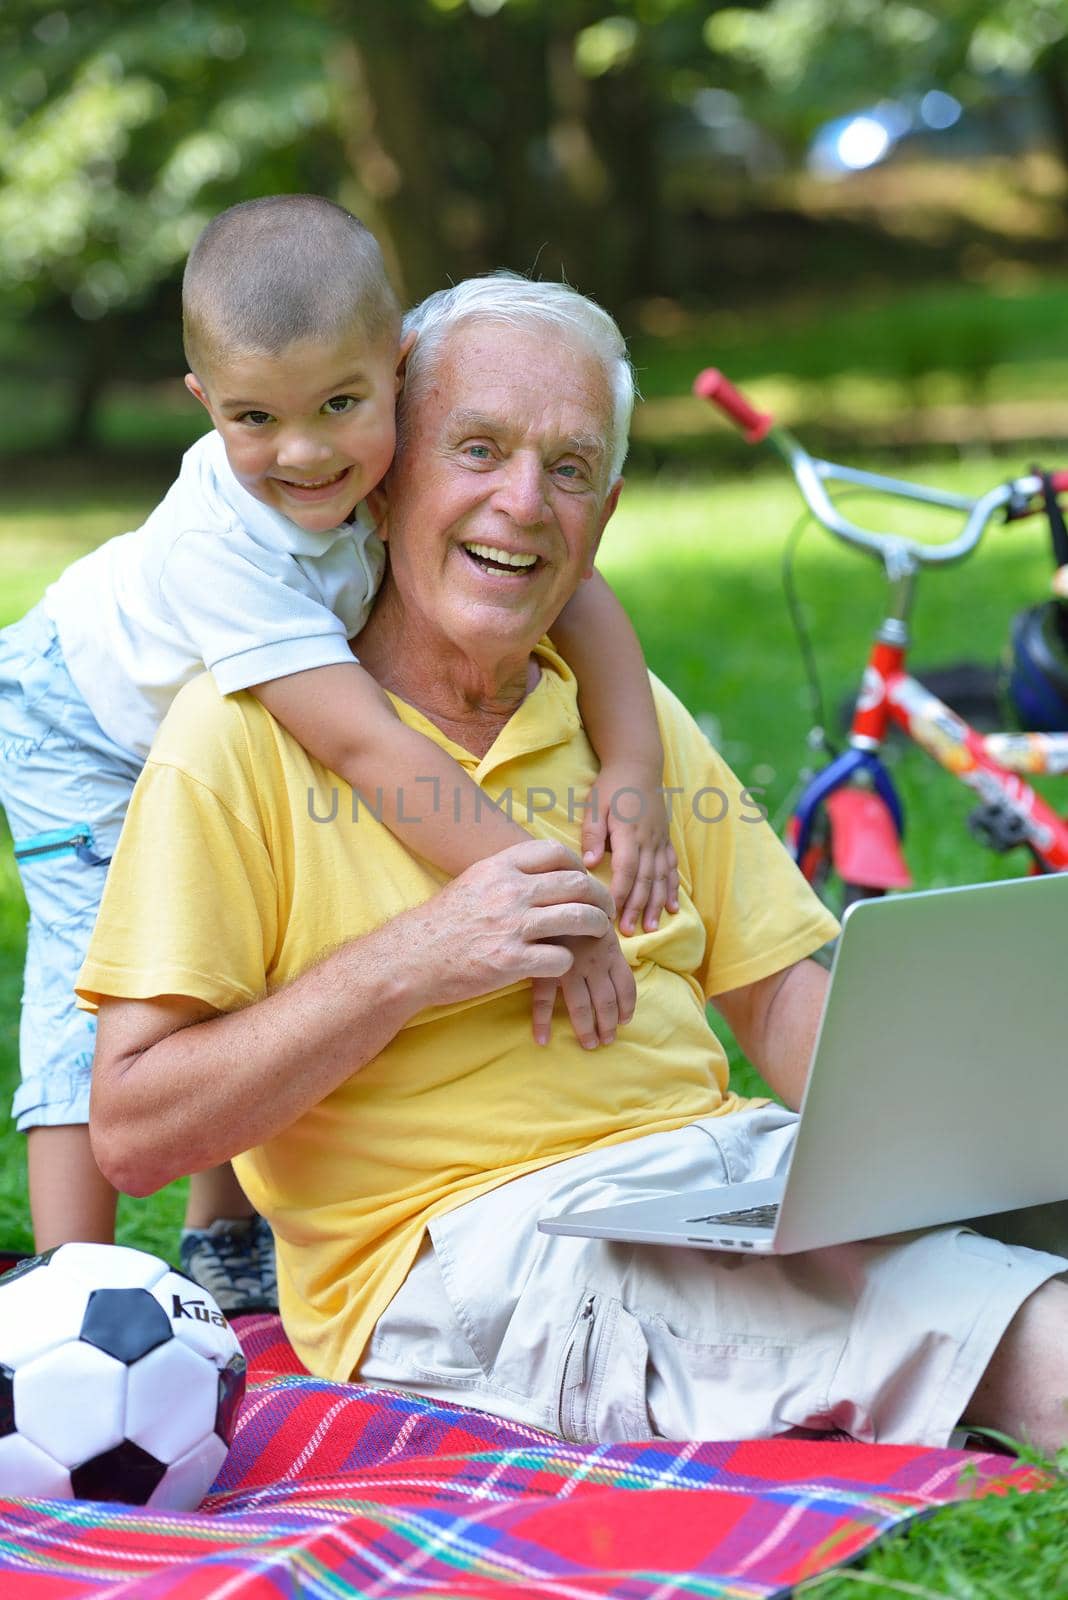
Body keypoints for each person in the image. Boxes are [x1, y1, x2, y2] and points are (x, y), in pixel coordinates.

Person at [82, 275, 1068, 1451]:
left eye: (568, 468)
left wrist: (961, 1123)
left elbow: (777, 993)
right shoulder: (237, 733)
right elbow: (136, 1129)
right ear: (387, 478)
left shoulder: (622, 718)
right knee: (1008, 1327)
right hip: (471, 1246)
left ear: (605, 512)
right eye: (479, 448)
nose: (522, 504)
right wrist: (412, 961)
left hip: (720, 1176)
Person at [0, 198, 677, 1308]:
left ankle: (224, 1236)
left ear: (398, 371)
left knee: (244, 935)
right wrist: (557, 899)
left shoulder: (394, 446)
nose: (307, 454)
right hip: (79, 721)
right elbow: (366, 745)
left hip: (203, 713)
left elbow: (579, 588)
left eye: (342, 407)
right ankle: (67, 1287)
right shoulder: (224, 550)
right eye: (255, 419)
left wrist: (634, 771)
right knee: (107, 984)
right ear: (202, 405)